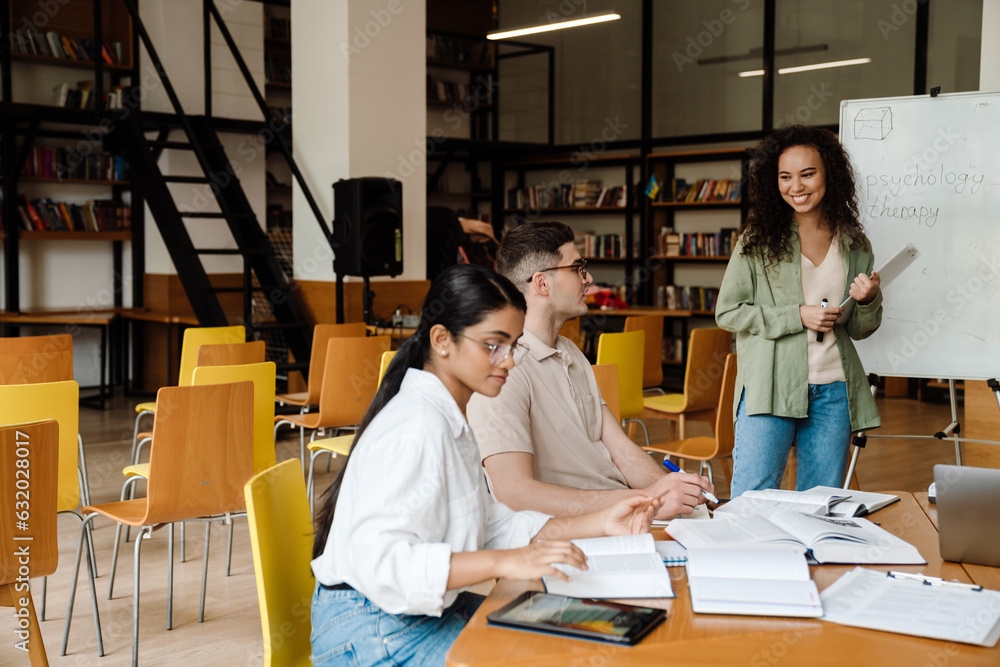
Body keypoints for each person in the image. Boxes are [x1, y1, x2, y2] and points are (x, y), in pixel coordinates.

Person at [310, 264, 664, 667]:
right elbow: (383, 563)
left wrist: (601, 522)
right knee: (557, 656)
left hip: (415, 616)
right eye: (493, 345)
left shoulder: (448, 416)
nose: (509, 361)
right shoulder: (416, 425)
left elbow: (492, 522)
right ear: (442, 340)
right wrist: (505, 562)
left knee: (589, 631)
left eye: (512, 346)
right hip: (371, 632)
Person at [466, 221, 714, 520]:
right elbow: (515, 494)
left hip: (619, 512)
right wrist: (647, 499)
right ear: (542, 283)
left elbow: (621, 450)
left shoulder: (570, 352)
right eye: (578, 268)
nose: (589, 279)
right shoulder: (502, 370)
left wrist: (672, 488)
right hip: (580, 529)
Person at [715, 124, 883, 497]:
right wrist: (797, 315)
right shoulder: (756, 241)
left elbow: (857, 329)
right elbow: (728, 312)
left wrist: (869, 299)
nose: (796, 186)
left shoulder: (855, 242)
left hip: (835, 390)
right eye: (785, 177)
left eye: (808, 174)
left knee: (818, 503)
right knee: (752, 498)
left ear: (829, 175)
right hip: (770, 385)